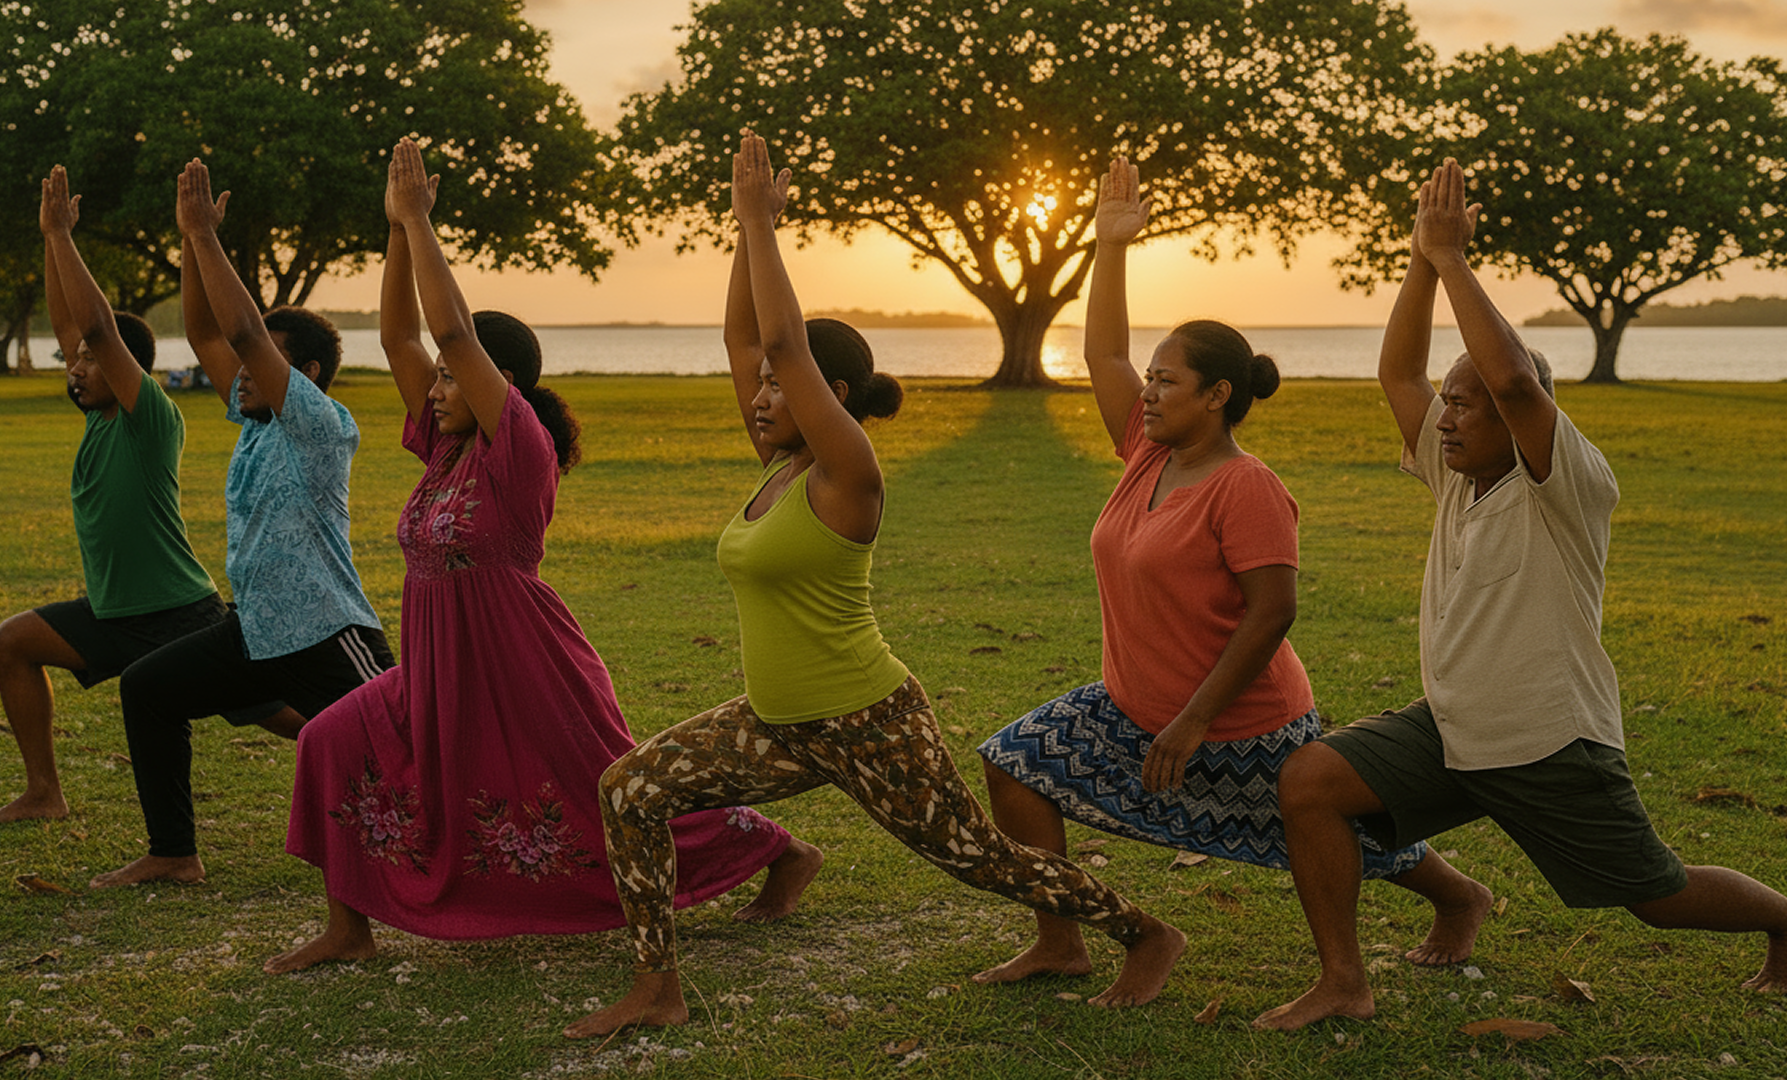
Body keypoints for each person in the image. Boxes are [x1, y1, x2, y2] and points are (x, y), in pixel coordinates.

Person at [564, 132, 1169, 1040]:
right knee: (630, 790)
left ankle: (1140, 932)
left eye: (781, 386)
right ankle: (659, 985)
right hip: (775, 720)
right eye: (760, 387)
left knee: (973, 857)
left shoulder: (845, 473)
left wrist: (764, 227)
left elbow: (776, 340)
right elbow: (747, 338)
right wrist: (742, 230)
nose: (762, 395)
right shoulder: (773, 465)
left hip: (864, 718)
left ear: (830, 393)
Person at [1253, 159, 1787, 1031]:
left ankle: (1783, 921)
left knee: (1657, 895)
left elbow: (1513, 381)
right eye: (1449, 404)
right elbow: (1397, 378)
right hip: (1455, 726)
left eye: (1469, 404)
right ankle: (1347, 978)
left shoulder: (1567, 483)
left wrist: (1458, 261)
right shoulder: (1455, 472)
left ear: (1522, 416)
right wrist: (1421, 263)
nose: (1449, 417)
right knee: (1310, 781)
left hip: (1549, 741)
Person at [267, 139, 812, 973]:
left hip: (522, 663)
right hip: (437, 666)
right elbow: (400, 335)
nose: (436, 386)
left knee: (602, 795)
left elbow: (446, 327)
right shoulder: (442, 449)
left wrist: (421, 222)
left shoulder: (517, 448)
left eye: (454, 377)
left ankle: (776, 849)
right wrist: (394, 233)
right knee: (330, 741)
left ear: (498, 384)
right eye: (438, 378)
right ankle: (349, 928)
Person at [973, 156, 1491, 992]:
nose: (1146, 391)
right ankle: (1060, 941)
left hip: (1240, 720)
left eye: (1165, 381)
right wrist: (1110, 247)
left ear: (1216, 395)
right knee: (1014, 765)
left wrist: (1190, 722)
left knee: (1324, 835)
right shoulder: (1147, 452)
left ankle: (1458, 894)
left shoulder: (1246, 487)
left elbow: (1272, 613)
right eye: (1149, 378)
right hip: (1129, 706)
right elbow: (1102, 349)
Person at [89, 159, 394, 889]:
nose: (242, 374)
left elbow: (243, 331)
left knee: (405, 750)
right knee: (148, 688)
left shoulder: (319, 425)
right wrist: (192, 245)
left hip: (327, 632)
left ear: (309, 374)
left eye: (263, 366)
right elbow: (207, 330)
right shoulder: (255, 424)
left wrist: (205, 235)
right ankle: (174, 852)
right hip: (255, 630)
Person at [0, 165, 250, 825]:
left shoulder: (148, 416)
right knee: (13, 643)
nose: (77, 368)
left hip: (178, 612)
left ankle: (382, 746)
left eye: (91, 362)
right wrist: (51, 239)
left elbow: (96, 327)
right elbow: (75, 327)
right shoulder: (98, 416)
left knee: (272, 710)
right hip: (113, 613)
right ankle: (44, 793)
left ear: (129, 369)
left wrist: (65, 242)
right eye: (72, 363)